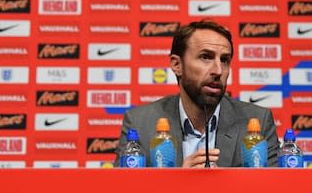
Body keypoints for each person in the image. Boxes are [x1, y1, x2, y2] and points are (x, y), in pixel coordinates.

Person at [115, 20, 279, 167]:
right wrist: (179, 184)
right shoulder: (140, 124)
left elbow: (275, 187)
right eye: (205, 57)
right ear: (177, 65)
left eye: (224, 60)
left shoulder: (258, 121)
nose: (218, 70)